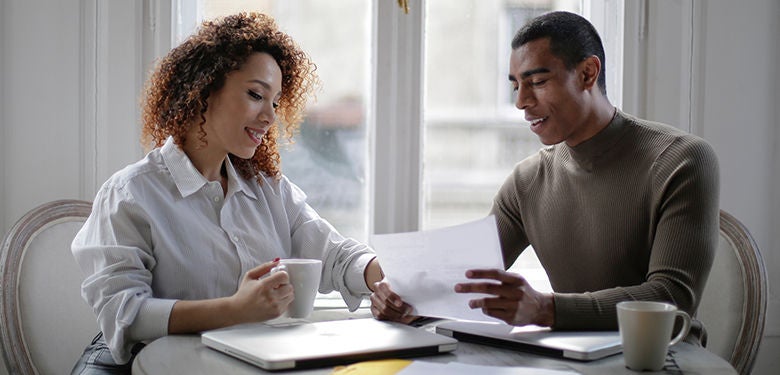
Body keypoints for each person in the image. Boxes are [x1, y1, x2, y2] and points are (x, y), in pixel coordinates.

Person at [371, 11, 719, 339]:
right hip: (574, 360)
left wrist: (544, 309)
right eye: (515, 86)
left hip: (665, 358)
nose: (521, 101)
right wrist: (404, 302)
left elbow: (672, 297)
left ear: (587, 74)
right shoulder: (527, 181)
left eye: (536, 81)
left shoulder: (681, 159)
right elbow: (467, 283)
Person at [71, 12, 383, 374]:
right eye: (256, 95)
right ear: (203, 89)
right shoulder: (130, 194)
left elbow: (336, 256)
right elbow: (124, 314)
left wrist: (387, 278)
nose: (269, 117)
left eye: (276, 103)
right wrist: (236, 309)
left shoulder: (268, 188)